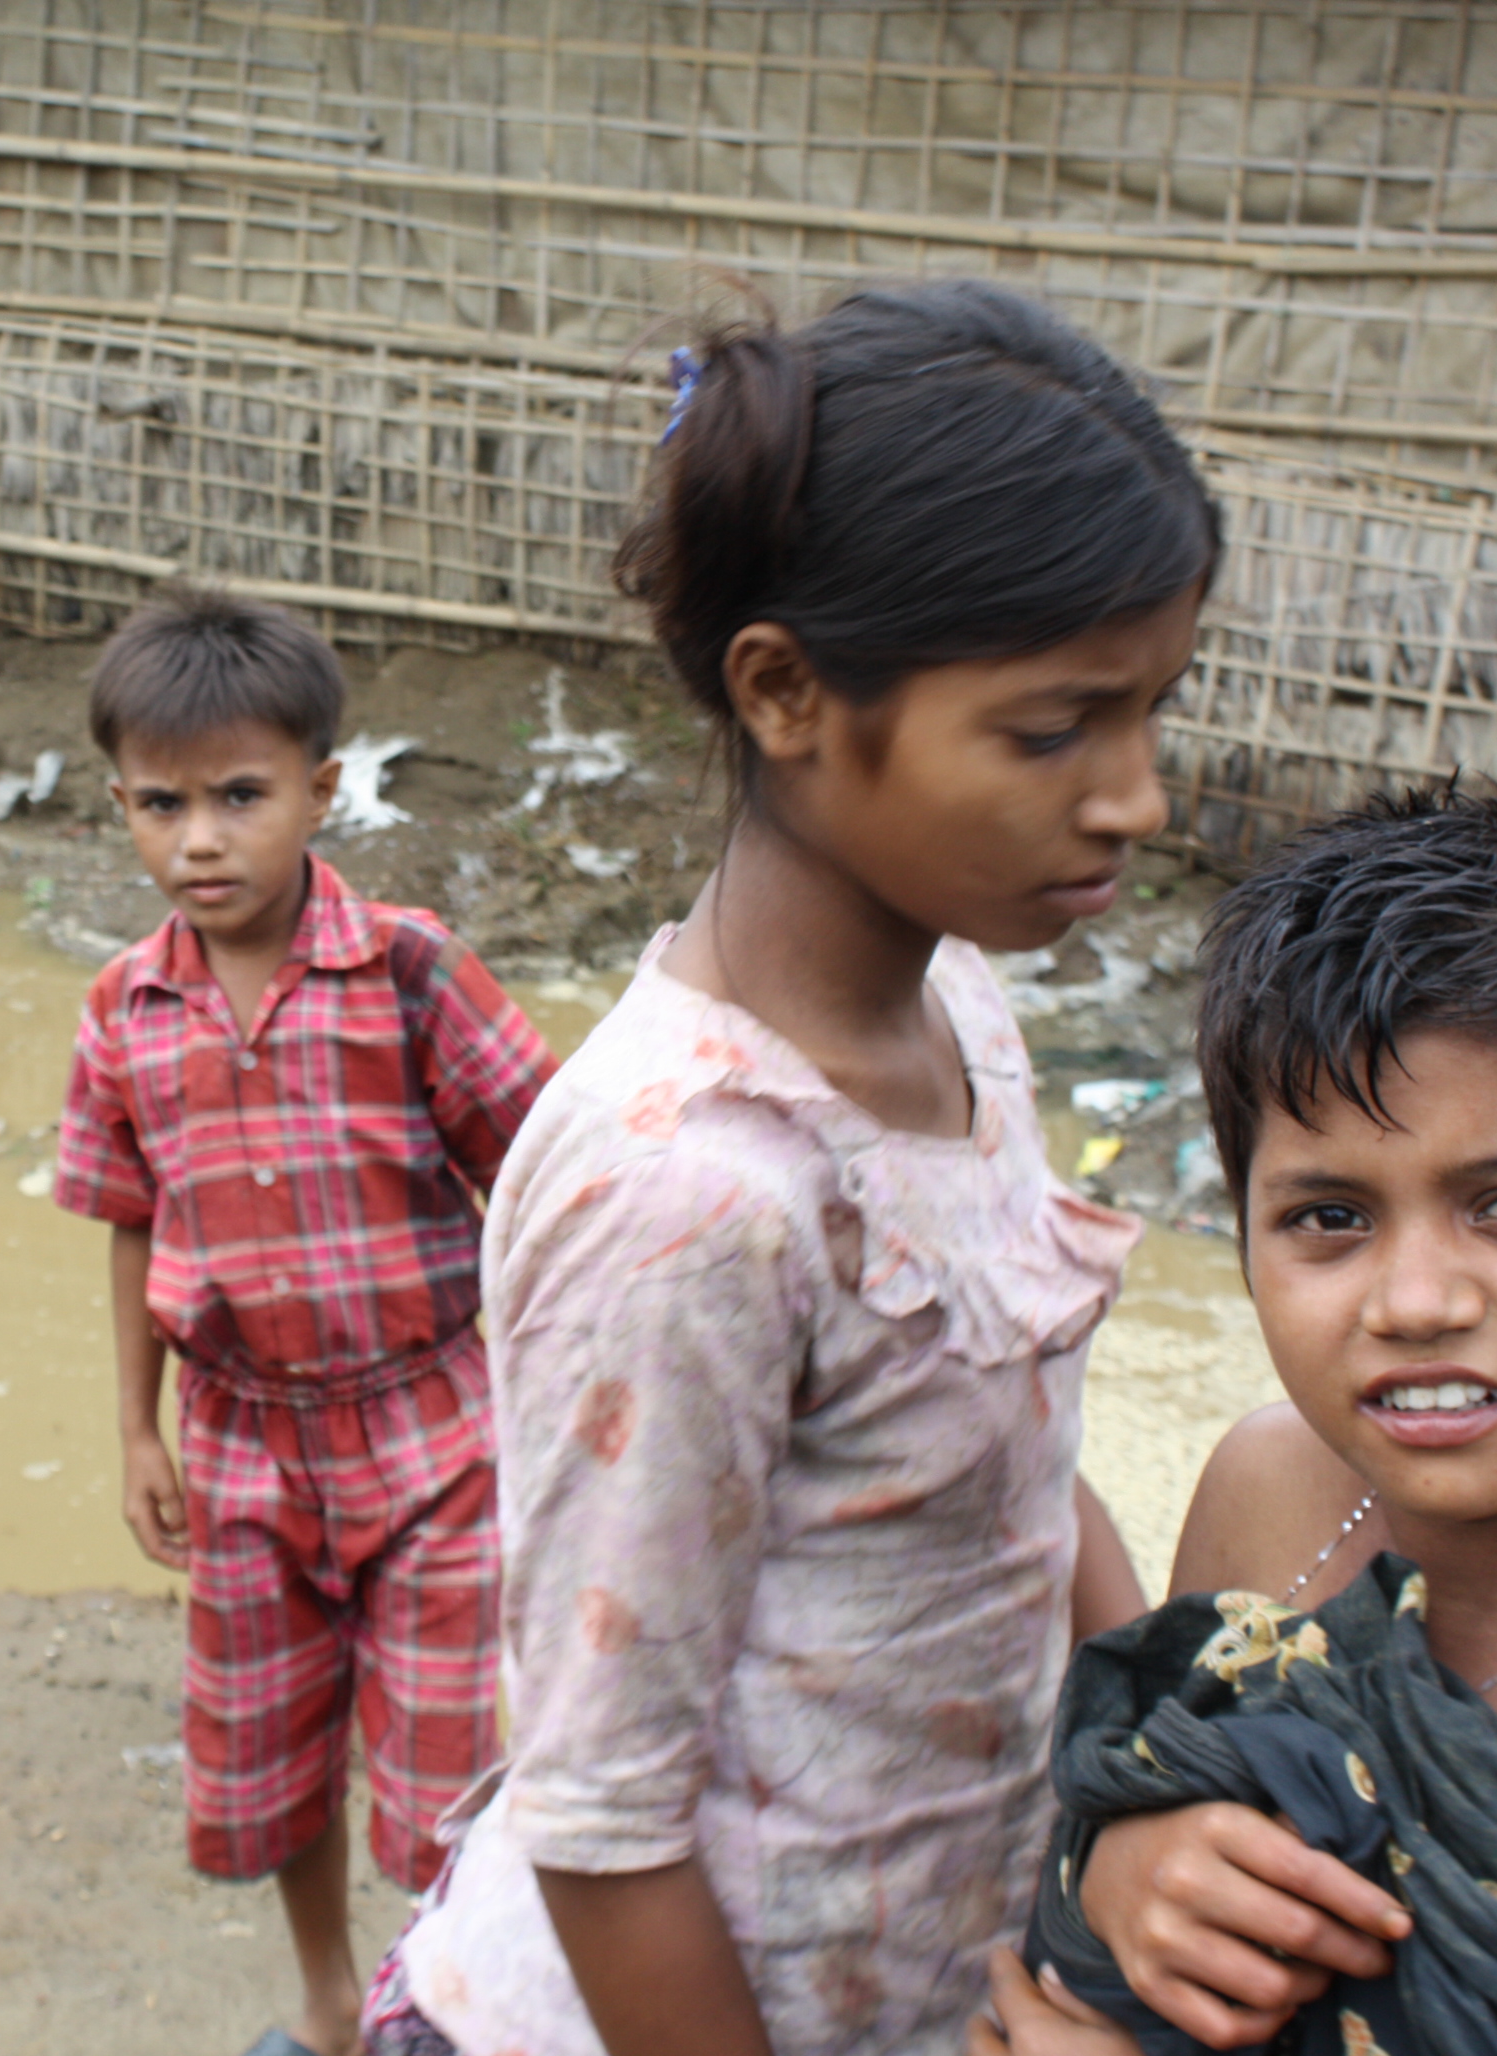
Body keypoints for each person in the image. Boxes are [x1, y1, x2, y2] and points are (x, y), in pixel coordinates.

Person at [361, 275, 1217, 2056]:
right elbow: (602, 1823)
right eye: (1056, 728)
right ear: (784, 692)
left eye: (1151, 711)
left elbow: (1012, 1471)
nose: (1135, 794)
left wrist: (1163, 1752)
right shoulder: (689, 1194)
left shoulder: (960, 1013)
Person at [980, 777, 1497, 2056]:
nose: (1415, 1301)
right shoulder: (1269, 1484)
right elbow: (1153, 1789)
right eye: (1329, 1217)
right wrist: (1133, 1865)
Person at [51, 588, 558, 2056]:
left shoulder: (409, 971)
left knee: (451, 1761)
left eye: (239, 797)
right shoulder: (123, 1011)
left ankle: (444, 2000)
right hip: (239, 1445)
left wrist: (559, 1399)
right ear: (121, 805)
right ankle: (332, 2003)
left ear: (321, 792)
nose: (198, 840)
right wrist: (132, 1432)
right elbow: (131, 1217)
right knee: (270, 1749)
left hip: (438, 1430)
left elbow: (543, 1183)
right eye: (161, 804)